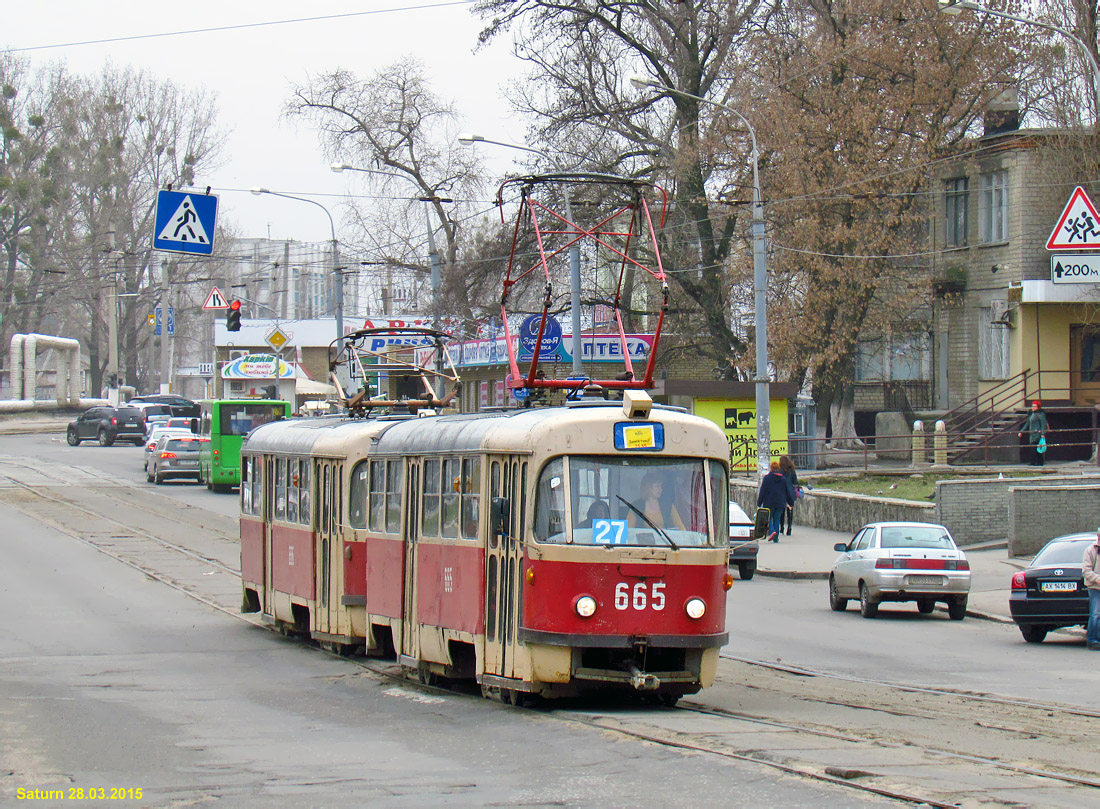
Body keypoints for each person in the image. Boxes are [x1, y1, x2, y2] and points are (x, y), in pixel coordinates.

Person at [757, 460, 794, 542]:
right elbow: (787, 492)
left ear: (771, 468)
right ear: (778, 468)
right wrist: (790, 502)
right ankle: (776, 538)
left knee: (768, 519)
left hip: (769, 502)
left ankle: (772, 531)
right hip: (780, 503)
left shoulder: (767, 478)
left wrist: (759, 502)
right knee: (776, 519)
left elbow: (762, 491)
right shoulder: (783, 479)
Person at [1083, 528, 1100, 650]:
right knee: (1095, 614)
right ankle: (1092, 640)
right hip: (1095, 587)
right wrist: (1098, 579)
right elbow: (1086, 571)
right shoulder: (1090, 550)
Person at [1018, 400, 1048, 467]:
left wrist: (1043, 433)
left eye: (1035, 406)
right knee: (1034, 448)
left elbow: (1043, 424)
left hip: (1038, 433)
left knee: (1037, 448)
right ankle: (1035, 462)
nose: (1033, 407)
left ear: (1038, 407)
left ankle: (1037, 462)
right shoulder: (1031, 414)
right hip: (1032, 434)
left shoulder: (1040, 414)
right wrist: (1021, 431)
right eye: (1032, 406)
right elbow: (1027, 423)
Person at [778, 455, 799, 536]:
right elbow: (795, 481)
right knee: (790, 510)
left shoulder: (780, 471)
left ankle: (782, 527)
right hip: (790, 492)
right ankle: (789, 528)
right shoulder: (791, 470)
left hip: (782, 492)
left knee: (782, 511)